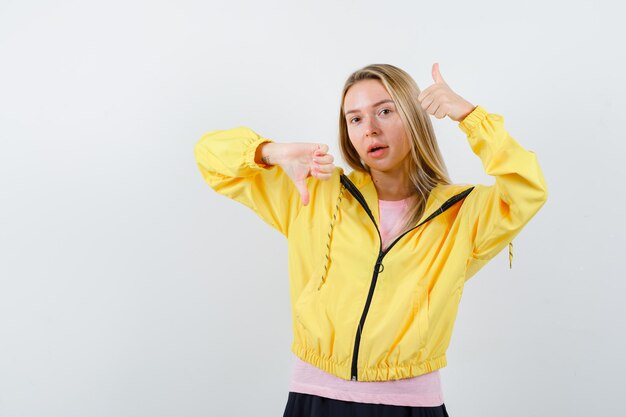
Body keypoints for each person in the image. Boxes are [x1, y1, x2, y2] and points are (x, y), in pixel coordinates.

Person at [193, 63, 548, 416]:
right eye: (356, 119)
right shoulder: (314, 192)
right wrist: (272, 152)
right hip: (315, 400)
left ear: (414, 116)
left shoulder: (462, 213)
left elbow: (526, 191)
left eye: (385, 111)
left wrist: (472, 118)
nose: (371, 130)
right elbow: (209, 156)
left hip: (409, 405)